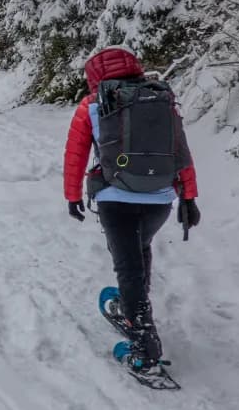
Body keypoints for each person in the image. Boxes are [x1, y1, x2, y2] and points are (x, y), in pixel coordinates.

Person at [62, 47, 200, 365]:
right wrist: (189, 197)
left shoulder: (92, 104)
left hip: (115, 197)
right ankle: (132, 306)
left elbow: (76, 155)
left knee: (128, 266)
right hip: (160, 197)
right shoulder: (160, 99)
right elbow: (181, 150)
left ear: (95, 76)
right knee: (140, 250)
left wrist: (72, 197)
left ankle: (143, 342)